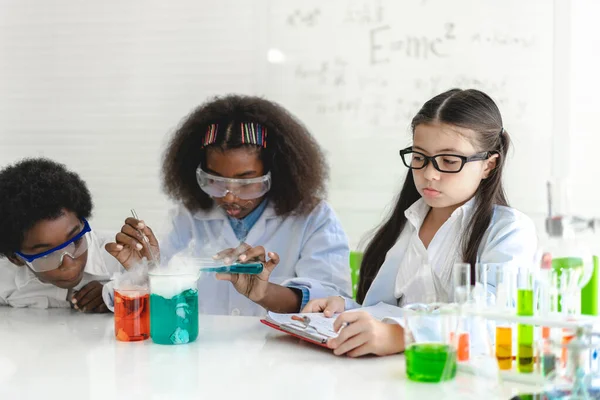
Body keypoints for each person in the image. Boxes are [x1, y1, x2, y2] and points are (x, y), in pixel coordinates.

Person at [303, 88, 538, 357]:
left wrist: (403, 336)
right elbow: (391, 310)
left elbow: (493, 316)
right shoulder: (405, 223)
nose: (429, 174)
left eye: (449, 161)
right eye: (419, 158)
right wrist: (346, 311)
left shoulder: (510, 231)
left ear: (489, 165)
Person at [104, 95, 352, 316]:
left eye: (246, 182)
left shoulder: (313, 218)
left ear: (275, 172)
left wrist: (264, 292)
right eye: (215, 180)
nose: (229, 197)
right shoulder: (187, 218)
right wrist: (144, 270)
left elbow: (331, 302)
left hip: (280, 358)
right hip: (203, 353)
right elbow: (163, 297)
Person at [0, 158, 124, 312]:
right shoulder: (5, 280)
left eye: (76, 241)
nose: (68, 264)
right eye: (46, 255)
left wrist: (118, 295)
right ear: (15, 258)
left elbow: (156, 284)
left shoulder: (121, 257)